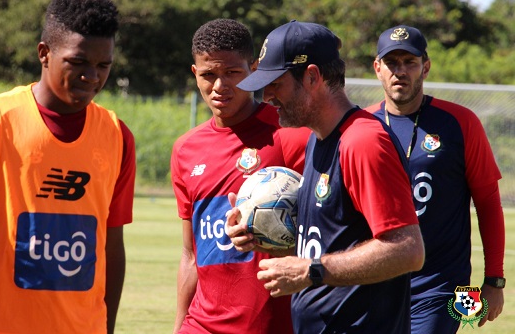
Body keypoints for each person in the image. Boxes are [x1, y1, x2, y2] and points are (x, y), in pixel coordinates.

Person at [0, 0, 136, 334]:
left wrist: (106, 327)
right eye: (77, 63)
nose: (92, 76)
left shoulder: (117, 135)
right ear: (44, 53)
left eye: (103, 65)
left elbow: (112, 242)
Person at [226, 20, 425, 333]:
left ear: (312, 77)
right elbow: (328, 248)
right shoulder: (318, 139)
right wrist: (263, 237)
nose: (266, 96)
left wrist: (311, 271)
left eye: (276, 83)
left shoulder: (362, 141)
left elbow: (407, 250)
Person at [171, 18, 311, 334]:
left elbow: (326, 235)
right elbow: (190, 255)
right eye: (208, 75)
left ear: (254, 68)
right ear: (195, 74)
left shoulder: (289, 134)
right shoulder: (185, 150)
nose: (220, 86)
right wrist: (179, 327)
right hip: (201, 326)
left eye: (232, 73)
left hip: (272, 326)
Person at [366, 25, 505, 333]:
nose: (400, 72)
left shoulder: (461, 122)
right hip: (375, 282)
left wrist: (494, 280)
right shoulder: (362, 125)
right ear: (378, 68)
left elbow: (488, 201)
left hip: (445, 288)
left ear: (425, 67)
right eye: (392, 63)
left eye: (410, 63)